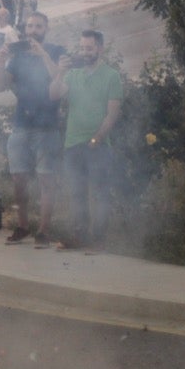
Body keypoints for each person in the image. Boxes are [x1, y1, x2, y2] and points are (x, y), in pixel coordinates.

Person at [0, 11, 67, 247]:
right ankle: (23, 226)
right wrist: (1, 60)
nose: (33, 31)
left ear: (46, 29)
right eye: (30, 26)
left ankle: (43, 231)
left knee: (47, 179)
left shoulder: (56, 50)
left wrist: (42, 53)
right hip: (21, 124)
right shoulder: (18, 56)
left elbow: (59, 77)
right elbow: (1, 86)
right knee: (19, 178)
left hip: (47, 126)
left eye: (38, 26)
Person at [49, 30, 123, 252]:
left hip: (98, 145)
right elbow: (54, 95)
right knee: (77, 193)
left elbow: (113, 114)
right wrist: (60, 73)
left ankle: (99, 240)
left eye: (89, 48)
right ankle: (79, 236)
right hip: (73, 144)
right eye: (82, 48)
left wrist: (97, 138)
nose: (84, 52)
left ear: (100, 48)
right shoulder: (73, 75)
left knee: (100, 193)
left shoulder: (111, 76)